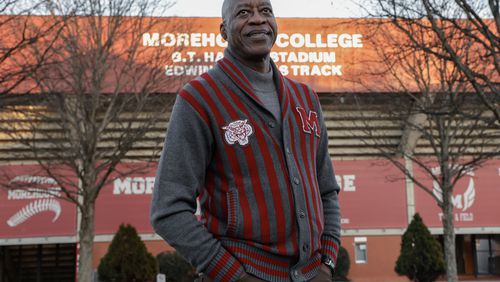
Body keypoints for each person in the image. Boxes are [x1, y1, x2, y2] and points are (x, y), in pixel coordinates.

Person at [150, 0, 341, 281]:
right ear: (223, 31)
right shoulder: (199, 98)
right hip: (244, 272)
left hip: (313, 273)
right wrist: (233, 275)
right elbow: (168, 210)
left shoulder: (306, 98)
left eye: (266, 11)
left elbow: (326, 189)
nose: (257, 20)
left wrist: (327, 259)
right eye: (243, 13)